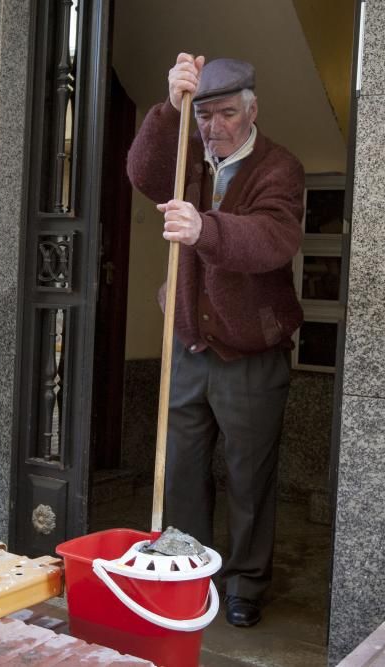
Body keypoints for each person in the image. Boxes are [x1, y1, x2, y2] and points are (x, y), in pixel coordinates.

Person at [126, 53, 305, 627]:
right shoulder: (186, 157)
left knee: (249, 477)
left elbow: (275, 239)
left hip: (252, 353)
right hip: (189, 345)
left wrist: (208, 228)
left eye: (226, 113)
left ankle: (246, 584)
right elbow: (141, 173)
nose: (213, 126)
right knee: (181, 468)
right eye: (204, 115)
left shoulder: (279, 166)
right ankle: (188, 570)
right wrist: (168, 109)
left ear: (252, 111)